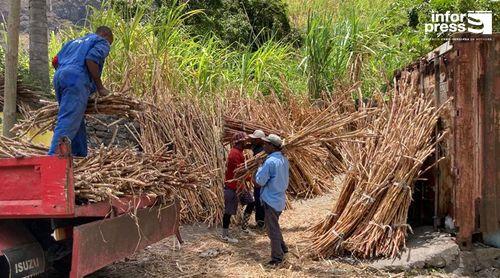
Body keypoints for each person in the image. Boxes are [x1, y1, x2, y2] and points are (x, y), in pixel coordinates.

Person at [48, 26, 114, 157]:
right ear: (106, 35)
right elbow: (91, 59)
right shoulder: (101, 41)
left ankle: (79, 155)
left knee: (76, 118)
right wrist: (100, 87)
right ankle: (52, 159)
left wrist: (66, 74)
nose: (109, 45)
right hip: (76, 78)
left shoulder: (74, 42)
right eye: (110, 42)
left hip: (60, 77)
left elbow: (55, 60)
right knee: (68, 120)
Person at [255, 134, 289, 266]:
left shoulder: (269, 162)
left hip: (270, 200)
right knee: (275, 226)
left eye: (266, 144)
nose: (264, 146)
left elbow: (260, 181)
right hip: (279, 199)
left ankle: (277, 258)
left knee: (271, 230)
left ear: (272, 146)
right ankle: (283, 248)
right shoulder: (284, 160)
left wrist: (258, 168)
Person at [222, 132, 256, 243]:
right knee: (229, 211)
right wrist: (249, 172)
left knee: (251, 202)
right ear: (240, 142)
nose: (246, 143)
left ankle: (244, 228)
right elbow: (239, 171)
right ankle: (225, 235)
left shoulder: (239, 152)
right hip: (232, 186)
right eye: (244, 141)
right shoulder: (234, 154)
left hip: (240, 186)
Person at [248, 129, 266, 229]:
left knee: (260, 202)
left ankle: (261, 222)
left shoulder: (262, 151)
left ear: (260, 140)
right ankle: (261, 222)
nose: (253, 140)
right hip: (257, 180)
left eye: (255, 139)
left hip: (260, 181)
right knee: (259, 201)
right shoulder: (257, 147)